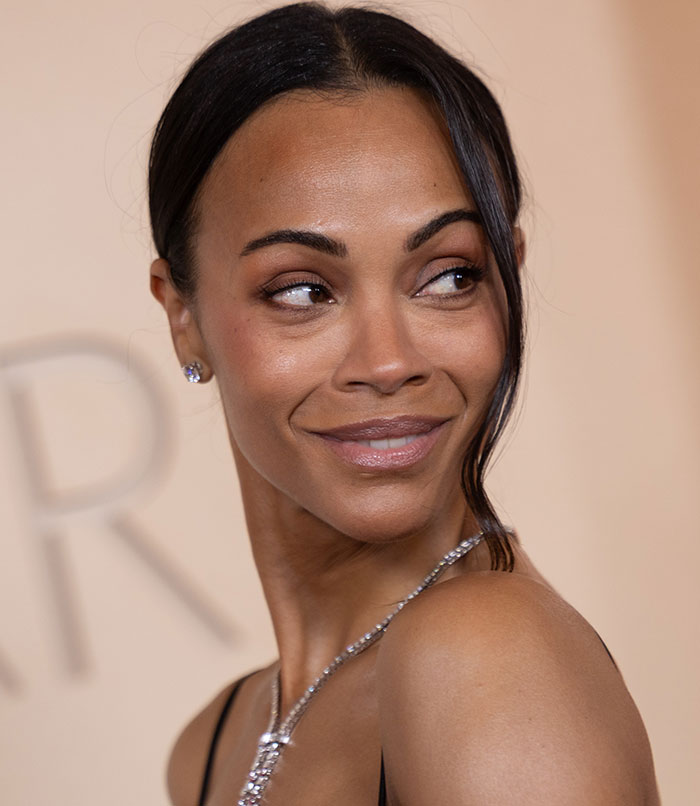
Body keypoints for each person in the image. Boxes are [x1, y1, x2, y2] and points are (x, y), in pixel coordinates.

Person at [148, 3, 659, 804]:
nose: (389, 362)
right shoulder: (210, 747)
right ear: (184, 316)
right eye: (303, 290)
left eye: (450, 276)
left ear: (509, 277)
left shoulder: (488, 656)